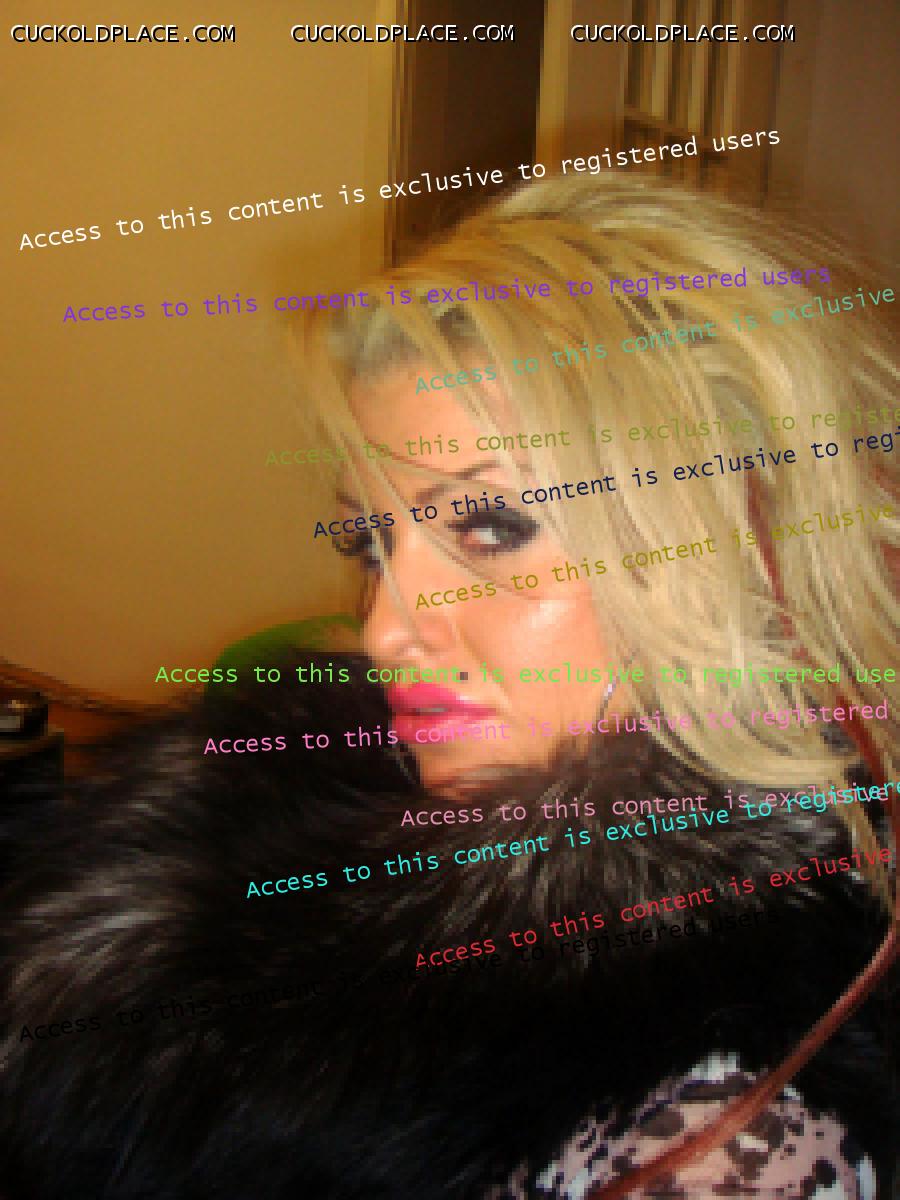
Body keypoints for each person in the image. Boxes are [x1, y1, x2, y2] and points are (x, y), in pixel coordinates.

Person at [0, 174, 896, 1198]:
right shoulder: (269, 835)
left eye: (490, 527)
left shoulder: (716, 1144)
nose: (384, 632)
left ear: (739, 546)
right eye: (372, 542)